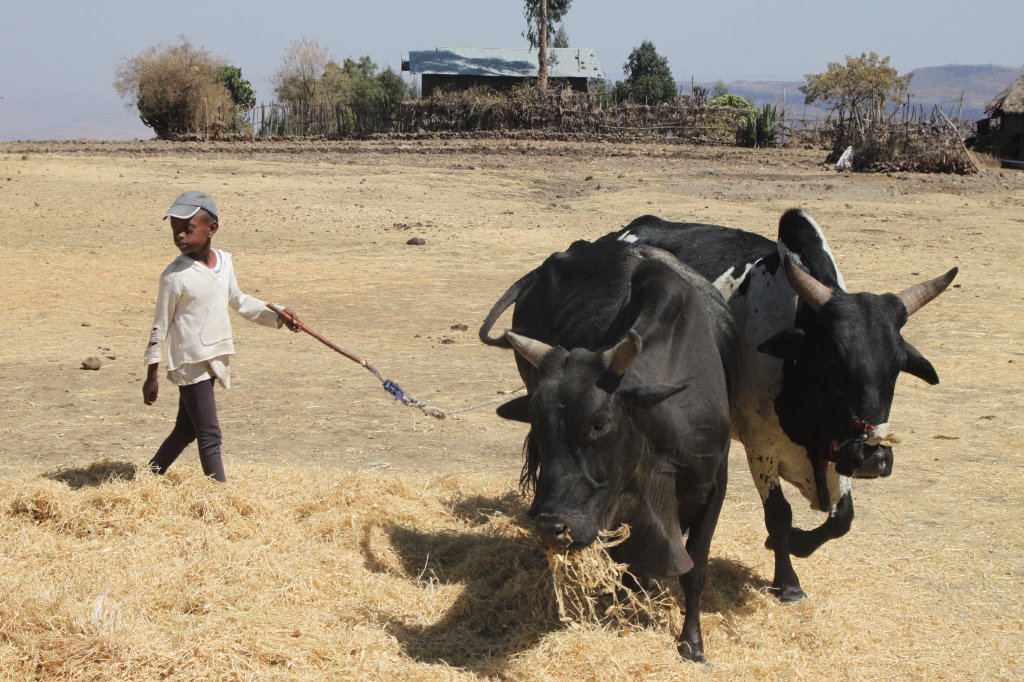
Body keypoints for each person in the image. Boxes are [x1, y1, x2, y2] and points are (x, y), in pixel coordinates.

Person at [142, 190, 301, 482]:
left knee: (186, 429)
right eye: (175, 230)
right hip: (190, 362)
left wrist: (278, 314)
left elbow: (238, 300)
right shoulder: (174, 276)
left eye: (187, 229)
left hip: (215, 354)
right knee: (209, 433)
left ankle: (149, 476)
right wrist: (152, 373)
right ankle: (219, 495)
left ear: (211, 228)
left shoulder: (224, 262)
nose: (179, 236)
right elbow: (160, 325)